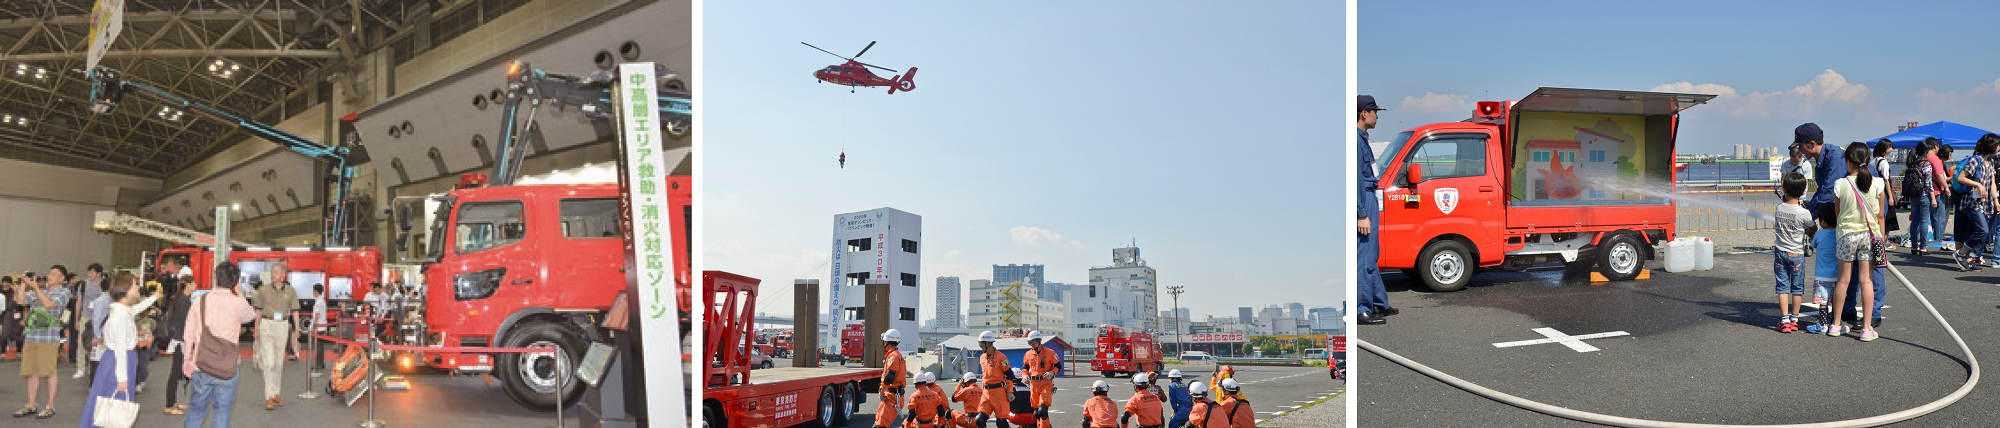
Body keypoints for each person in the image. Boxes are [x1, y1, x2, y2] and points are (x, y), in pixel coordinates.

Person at [78, 272, 159, 427]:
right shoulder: (120, 315)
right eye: (135, 284)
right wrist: (122, 378)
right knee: (114, 404)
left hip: (115, 360)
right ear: (127, 289)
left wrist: (153, 298)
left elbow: (135, 309)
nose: (137, 287)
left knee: (106, 401)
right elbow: (121, 349)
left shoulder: (122, 310)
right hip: (119, 361)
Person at [185, 262, 256, 428]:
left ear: (216, 277)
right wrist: (239, 294)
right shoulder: (238, 303)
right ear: (236, 281)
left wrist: (187, 359)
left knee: (196, 410)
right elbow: (250, 316)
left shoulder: (199, 301)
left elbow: (189, 333)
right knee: (222, 412)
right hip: (227, 367)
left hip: (201, 364)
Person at [1826, 143, 1885, 341]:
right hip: (1869, 236)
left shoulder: (1840, 184)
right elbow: (1880, 216)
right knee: (1866, 281)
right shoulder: (1877, 183)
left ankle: (1835, 325)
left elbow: (1838, 213)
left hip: (1846, 236)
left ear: (1849, 161)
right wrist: (1881, 239)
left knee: (1843, 280)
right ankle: (1867, 329)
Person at [1356, 95, 1395, 325]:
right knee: (1364, 257)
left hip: (1369, 198)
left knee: (1372, 254)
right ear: (1364, 113)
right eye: (1375, 112)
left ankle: (1379, 303)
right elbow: (1356, 181)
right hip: (1364, 200)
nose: (1377, 116)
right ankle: (1362, 308)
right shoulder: (1355, 140)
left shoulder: (1362, 138)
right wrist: (1361, 213)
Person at [15, 266, 72, 419]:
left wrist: (35, 288)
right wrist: (23, 283)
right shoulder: (41, 290)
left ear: (62, 278)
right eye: (49, 273)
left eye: (55, 274)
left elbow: (48, 304)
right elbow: (21, 300)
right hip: (32, 336)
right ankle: (31, 404)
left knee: (49, 372)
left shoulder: (63, 292)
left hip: (48, 338)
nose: (50, 276)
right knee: (31, 372)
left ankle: (50, 406)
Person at [251, 263, 300, 410]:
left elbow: (295, 311)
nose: (274, 274)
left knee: (279, 362)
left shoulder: (290, 291)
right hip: (266, 324)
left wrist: (297, 329)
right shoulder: (264, 290)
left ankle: (276, 393)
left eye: (277, 272)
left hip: (283, 325)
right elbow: (258, 311)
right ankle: (268, 396)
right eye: (272, 272)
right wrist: (256, 328)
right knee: (269, 362)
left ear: (283, 275)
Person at [1773, 173, 1812, 333]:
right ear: (1803, 191)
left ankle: (1784, 321)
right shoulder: (1804, 212)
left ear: (1784, 189)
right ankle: (1795, 320)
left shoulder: (1779, 208)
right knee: (1797, 288)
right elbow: (1811, 226)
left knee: (1782, 287)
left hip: (1780, 251)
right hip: (1796, 254)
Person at [1953, 137, 1998, 271]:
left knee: (1983, 233)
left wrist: (1996, 200)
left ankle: (1969, 259)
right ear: (1992, 146)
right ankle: (1960, 253)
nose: (1999, 148)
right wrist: (1977, 184)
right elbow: (1961, 177)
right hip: (1972, 202)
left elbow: (1993, 183)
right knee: (1982, 230)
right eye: (1998, 145)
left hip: (1986, 203)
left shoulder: (1990, 162)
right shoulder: (1975, 160)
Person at [161, 276, 196, 415]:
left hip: (180, 340)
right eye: (193, 283)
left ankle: (173, 402)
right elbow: (185, 323)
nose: (195, 285)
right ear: (187, 285)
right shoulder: (183, 300)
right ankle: (169, 405)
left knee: (176, 372)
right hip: (179, 341)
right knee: (175, 373)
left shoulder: (182, 299)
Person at [1805, 204, 1842, 334]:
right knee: (1836, 300)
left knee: (1823, 302)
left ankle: (1822, 324)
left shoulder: (1820, 234)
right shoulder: (1839, 233)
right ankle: (1836, 322)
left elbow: (1813, 244)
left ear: (1823, 221)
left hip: (1821, 275)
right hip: (1838, 275)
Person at [1907, 138, 1946, 256]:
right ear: (1925, 152)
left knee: (1914, 222)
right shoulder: (1926, 164)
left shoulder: (1912, 163)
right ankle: (1923, 247)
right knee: (1924, 221)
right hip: (1924, 196)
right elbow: (1928, 183)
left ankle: (1914, 246)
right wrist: (1933, 198)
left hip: (1913, 196)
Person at [975, 331, 1018, 428]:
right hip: (986, 394)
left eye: (982, 343)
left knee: (1001, 424)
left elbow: (1010, 375)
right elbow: (985, 377)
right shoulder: (982, 357)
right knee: (979, 420)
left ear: (989, 343)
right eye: (979, 343)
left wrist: (1010, 392)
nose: (980, 346)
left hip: (999, 394)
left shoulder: (1001, 357)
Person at [1022, 330, 1060, 428]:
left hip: (1046, 383)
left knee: (1042, 410)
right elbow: (1025, 368)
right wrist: (1024, 376)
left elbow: (1058, 366)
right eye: (1030, 343)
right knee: (1036, 412)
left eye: (1033, 342)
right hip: (1033, 384)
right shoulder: (1028, 354)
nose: (1031, 345)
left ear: (1039, 341)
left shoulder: (1050, 353)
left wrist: (1052, 373)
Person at [875, 329, 908, 428]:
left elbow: (889, 376)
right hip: (891, 395)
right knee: (878, 421)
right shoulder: (897, 355)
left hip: (893, 397)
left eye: (884, 342)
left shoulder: (893, 356)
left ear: (887, 342)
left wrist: (881, 390)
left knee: (881, 425)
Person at [1871, 140, 1899, 247]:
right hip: (1884, 192)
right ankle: (1884, 240)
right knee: (1887, 216)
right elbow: (1886, 180)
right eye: (1889, 147)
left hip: (1875, 191)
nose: (1891, 149)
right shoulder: (1883, 162)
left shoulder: (1873, 161)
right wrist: (1891, 196)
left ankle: (1879, 238)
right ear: (1884, 149)